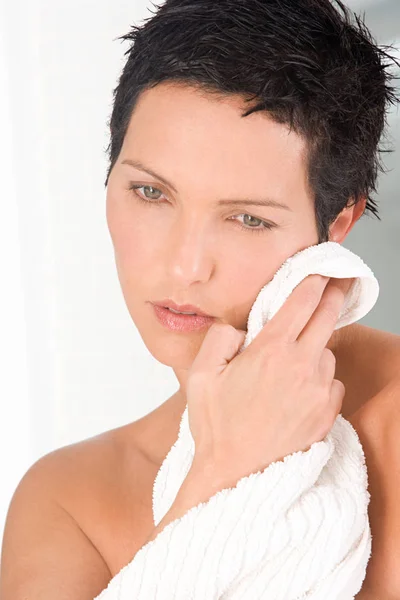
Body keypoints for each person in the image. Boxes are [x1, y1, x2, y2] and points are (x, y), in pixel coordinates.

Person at [1, 0, 400, 598]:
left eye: (246, 218)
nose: (185, 266)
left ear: (336, 225)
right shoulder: (69, 498)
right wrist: (220, 478)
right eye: (150, 192)